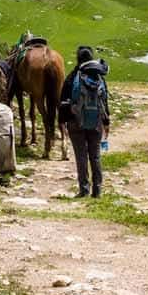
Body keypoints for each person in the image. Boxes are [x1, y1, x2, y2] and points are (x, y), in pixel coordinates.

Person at [60, 45, 110, 198]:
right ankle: (98, 189)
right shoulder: (99, 77)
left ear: (78, 58)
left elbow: (63, 101)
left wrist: (62, 122)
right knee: (95, 155)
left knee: (81, 156)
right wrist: (106, 123)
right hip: (96, 122)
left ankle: (84, 189)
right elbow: (104, 102)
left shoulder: (72, 77)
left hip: (76, 122)